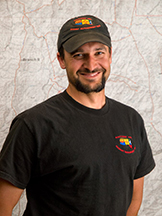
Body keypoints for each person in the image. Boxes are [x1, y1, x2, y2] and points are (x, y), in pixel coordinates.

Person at [0, 15, 155, 216]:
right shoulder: (33, 124)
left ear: (110, 55)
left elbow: (133, 199)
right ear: (61, 60)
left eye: (99, 53)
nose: (91, 65)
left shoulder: (131, 119)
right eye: (78, 55)